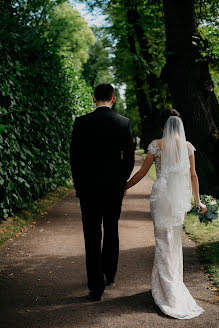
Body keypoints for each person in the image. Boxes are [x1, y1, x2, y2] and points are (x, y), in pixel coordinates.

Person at [125, 108, 206, 319]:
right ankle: (171, 286)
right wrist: (198, 201)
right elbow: (193, 175)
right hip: (178, 198)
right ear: (178, 124)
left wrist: (125, 186)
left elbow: (143, 172)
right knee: (174, 242)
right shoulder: (187, 147)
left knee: (162, 242)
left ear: (162, 125)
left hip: (161, 196)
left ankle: (166, 290)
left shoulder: (156, 145)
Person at [70, 83, 135, 302]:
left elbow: (74, 158)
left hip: (88, 189)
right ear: (114, 99)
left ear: (94, 98)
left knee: (91, 235)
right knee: (111, 229)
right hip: (113, 189)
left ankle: (95, 286)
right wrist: (122, 183)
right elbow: (129, 159)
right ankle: (110, 274)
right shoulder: (123, 123)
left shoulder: (81, 122)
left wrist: (79, 185)